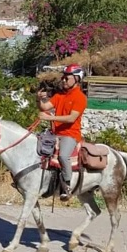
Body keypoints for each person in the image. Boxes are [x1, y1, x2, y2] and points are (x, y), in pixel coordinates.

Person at [37, 63, 87, 201]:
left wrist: (50, 117)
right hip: (54, 133)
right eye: (63, 77)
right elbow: (45, 107)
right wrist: (39, 99)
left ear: (76, 79)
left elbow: (71, 118)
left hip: (70, 135)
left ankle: (67, 186)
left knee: (63, 156)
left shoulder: (80, 98)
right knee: (37, 150)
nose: (63, 80)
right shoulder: (60, 96)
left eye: (67, 78)